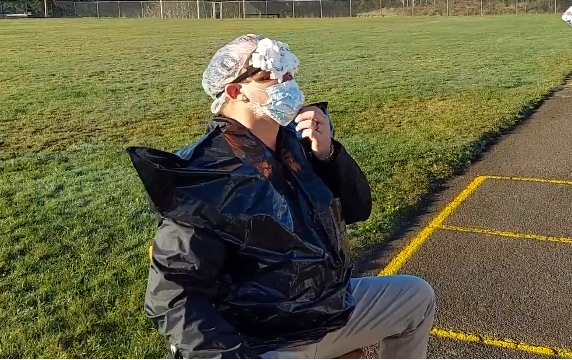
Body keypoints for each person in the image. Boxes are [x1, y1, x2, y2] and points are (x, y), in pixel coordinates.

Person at [128, 34, 435, 359]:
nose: (288, 85)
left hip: (329, 310)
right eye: (273, 76)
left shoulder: (298, 142)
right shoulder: (205, 174)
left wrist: (329, 155)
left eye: (289, 73)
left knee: (415, 297)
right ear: (235, 91)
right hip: (266, 340)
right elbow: (174, 294)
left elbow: (359, 209)